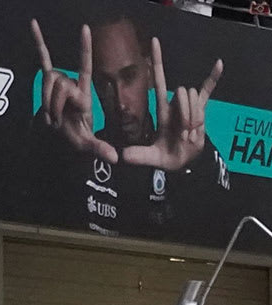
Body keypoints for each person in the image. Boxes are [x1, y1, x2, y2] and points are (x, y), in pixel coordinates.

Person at [30, 16, 230, 238]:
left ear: (149, 73)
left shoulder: (185, 153)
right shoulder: (76, 158)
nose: (120, 101)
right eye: (105, 82)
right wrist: (53, 135)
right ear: (93, 84)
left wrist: (194, 165)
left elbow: (226, 235)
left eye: (129, 77)